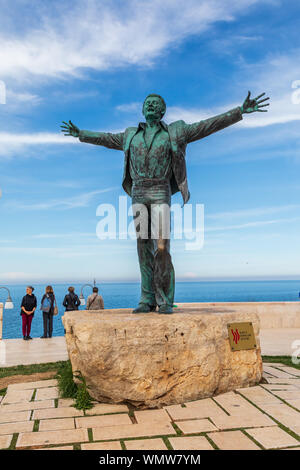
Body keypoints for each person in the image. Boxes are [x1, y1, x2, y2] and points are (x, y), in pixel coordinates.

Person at [61, 91, 269, 314]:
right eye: (147, 103)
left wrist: (238, 112)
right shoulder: (131, 135)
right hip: (139, 191)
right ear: (143, 110)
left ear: (162, 111)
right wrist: (81, 133)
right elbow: (106, 139)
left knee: (161, 246)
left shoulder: (176, 132)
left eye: (155, 104)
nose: (151, 106)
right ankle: (146, 298)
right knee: (143, 246)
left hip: (161, 190)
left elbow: (207, 126)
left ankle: (164, 299)